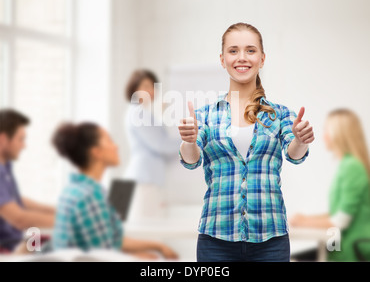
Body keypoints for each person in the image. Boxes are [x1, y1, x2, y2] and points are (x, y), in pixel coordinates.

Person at [178, 22, 315, 262]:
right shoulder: (205, 116)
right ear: (222, 60)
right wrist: (188, 140)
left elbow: (294, 154)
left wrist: (301, 140)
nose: (242, 57)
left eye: (250, 50)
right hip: (216, 241)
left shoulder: (280, 114)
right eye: (233, 51)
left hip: (270, 241)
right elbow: (191, 160)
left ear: (262, 59)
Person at [51, 121, 178, 259]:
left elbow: (112, 241)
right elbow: (103, 256)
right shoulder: (90, 196)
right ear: (96, 152)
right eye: (109, 141)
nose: (116, 146)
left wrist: (157, 246)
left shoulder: (75, 190)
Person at [290, 109, 370, 261]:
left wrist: (304, 222)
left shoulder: (352, 166)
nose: (324, 136)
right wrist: (305, 218)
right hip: (339, 247)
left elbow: (340, 221)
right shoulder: (347, 164)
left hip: (352, 250)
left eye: (326, 130)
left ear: (338, 134)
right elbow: (340, 213)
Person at [124, 69, 180, 220]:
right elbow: (160, 145)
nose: (150, 90)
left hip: (145, 179)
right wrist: (191, 140)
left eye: (153, 86)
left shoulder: (140, 112)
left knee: (146, 230)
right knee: (147, 232)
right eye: (145, 86)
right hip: (144, 180)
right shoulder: (138, 113)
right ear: (134, 88)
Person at [0, 109, 55, 253]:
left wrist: (55, 210)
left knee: (59, 244)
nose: (24, 146)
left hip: (20, 239)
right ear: (3, 139)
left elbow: (14, 200)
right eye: (21, 139)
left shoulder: (5, 166)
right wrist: (68, 221)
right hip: (8, 247)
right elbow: (19, 219)